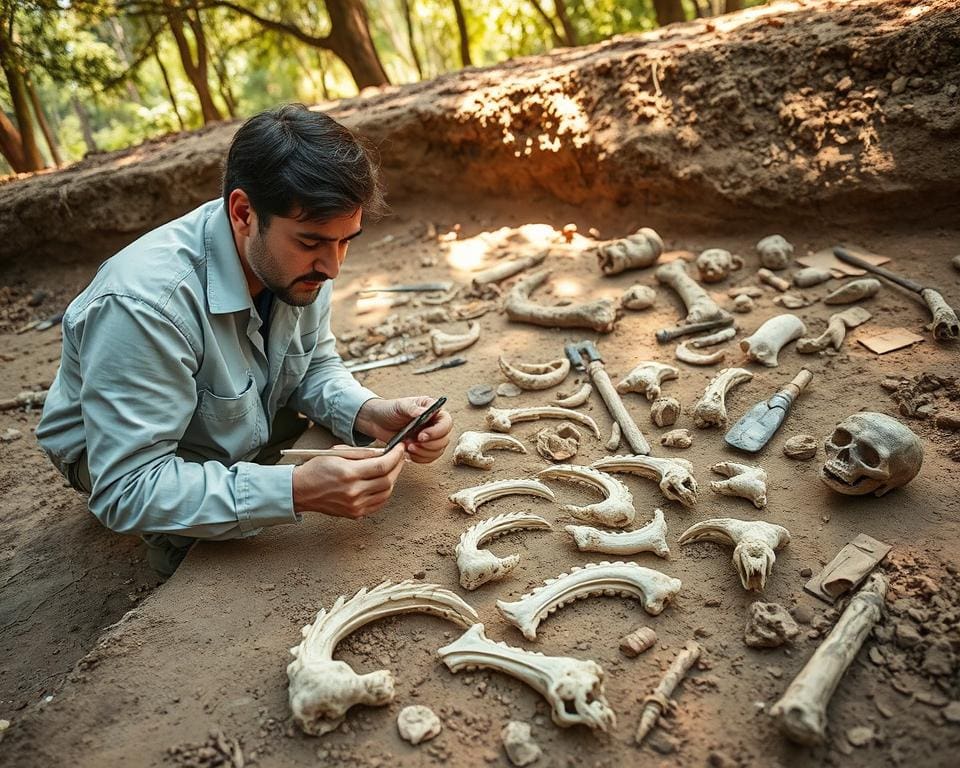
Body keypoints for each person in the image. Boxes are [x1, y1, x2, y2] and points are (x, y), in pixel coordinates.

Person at [36, 104, 453, 577]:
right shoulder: (143, 306)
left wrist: (369, 411)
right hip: (120, 451)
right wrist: (295, 490)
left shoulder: (302, 262)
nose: (334, 267)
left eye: (346, 241)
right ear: (243, 213)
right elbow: (127, 486)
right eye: (313, 242)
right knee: (228, 565)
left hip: (235, 409)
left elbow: (312, 364)